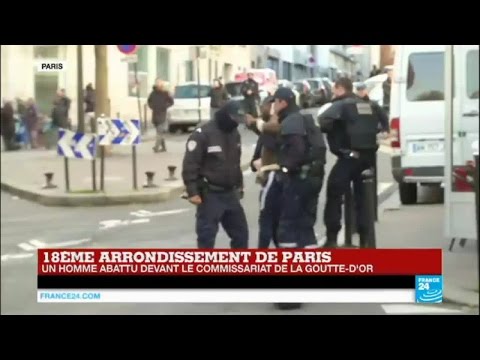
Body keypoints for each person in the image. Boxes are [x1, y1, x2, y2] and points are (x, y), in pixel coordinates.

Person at [318, 77, 381, 248]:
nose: (332, 93)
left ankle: (332, 238)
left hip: (348, 158)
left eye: (333, 89)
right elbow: (381, 124)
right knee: (363, 199)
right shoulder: (368, 105)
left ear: (340, 88)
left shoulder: (340, 105)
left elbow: (323, 122)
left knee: (334, 191)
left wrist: (336, 133)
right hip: (368, 158)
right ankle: (365, 240)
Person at [181, 100, 248, 249]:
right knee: (207, 237)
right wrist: (192, 191)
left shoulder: (234, 133)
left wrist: (239, 184)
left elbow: (235, 162)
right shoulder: (203, 134)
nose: (236, 123)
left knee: (241, 234)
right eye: (234, 119)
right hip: (210, 194)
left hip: (230, 193)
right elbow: (190, 164)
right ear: (226, 115)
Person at [249, 96, 282, 249]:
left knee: (268, 219)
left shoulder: (277, 126)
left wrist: (259, 124)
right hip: (268, 177)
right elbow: (258, 153)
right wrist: (255, 163)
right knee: (272, 221)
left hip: (275, 177)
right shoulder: (266, 129)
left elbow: (272, 139)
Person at [148, 79, 174, 153]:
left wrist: (165, 106)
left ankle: (156, 147)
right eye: (159, 85)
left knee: (159, 132)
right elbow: (149, 101)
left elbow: (171, 102)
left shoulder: (165, 93)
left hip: (162, 115)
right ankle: (164, 147)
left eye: (161, 85)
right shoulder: (153, 93)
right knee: (160, 131)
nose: (160, 87)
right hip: (155, 114)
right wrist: (152, 106)